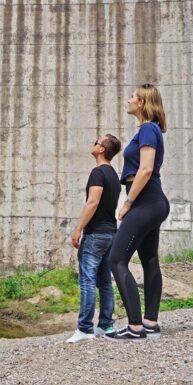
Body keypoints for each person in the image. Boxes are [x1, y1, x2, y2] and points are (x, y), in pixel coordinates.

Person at [106, 84, 170, 341]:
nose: (130, 100)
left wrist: (128, 202)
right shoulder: (149, 130)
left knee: (116, 258)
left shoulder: (147, 129)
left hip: (146, 202)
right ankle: (150, 322)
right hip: (153, 201)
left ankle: (135, 327)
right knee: (149, 260)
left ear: (142, 103)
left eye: (134, 97)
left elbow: (144, 170)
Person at [66, 134, 122, 343]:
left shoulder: (98, 173)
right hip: (111, 234)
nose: (94, 144)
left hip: (96, 234)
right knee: (105, 281)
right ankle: (106, 325)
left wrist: (78, 229)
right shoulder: (113, 176)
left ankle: (85, 328)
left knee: (87, 281)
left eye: (96, 142)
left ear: (101, 150)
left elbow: (93, 202)